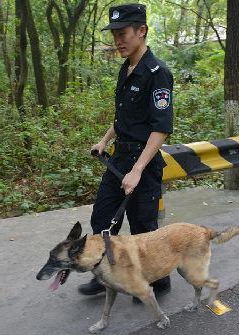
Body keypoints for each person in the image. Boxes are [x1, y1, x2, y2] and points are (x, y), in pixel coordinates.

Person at [78, 3, 174, 304]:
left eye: (123, 33)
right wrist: (104, 140)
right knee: (103, 218)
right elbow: (123, 117)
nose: (118, 40)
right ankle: (108, 271)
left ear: (141, 31)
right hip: (119, 159)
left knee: (144, 226)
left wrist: (138, 170)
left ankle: (157, 280)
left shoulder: (158, 74)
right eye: (115, 34)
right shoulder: (126, 67)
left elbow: (161, 128)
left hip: (142, 163)